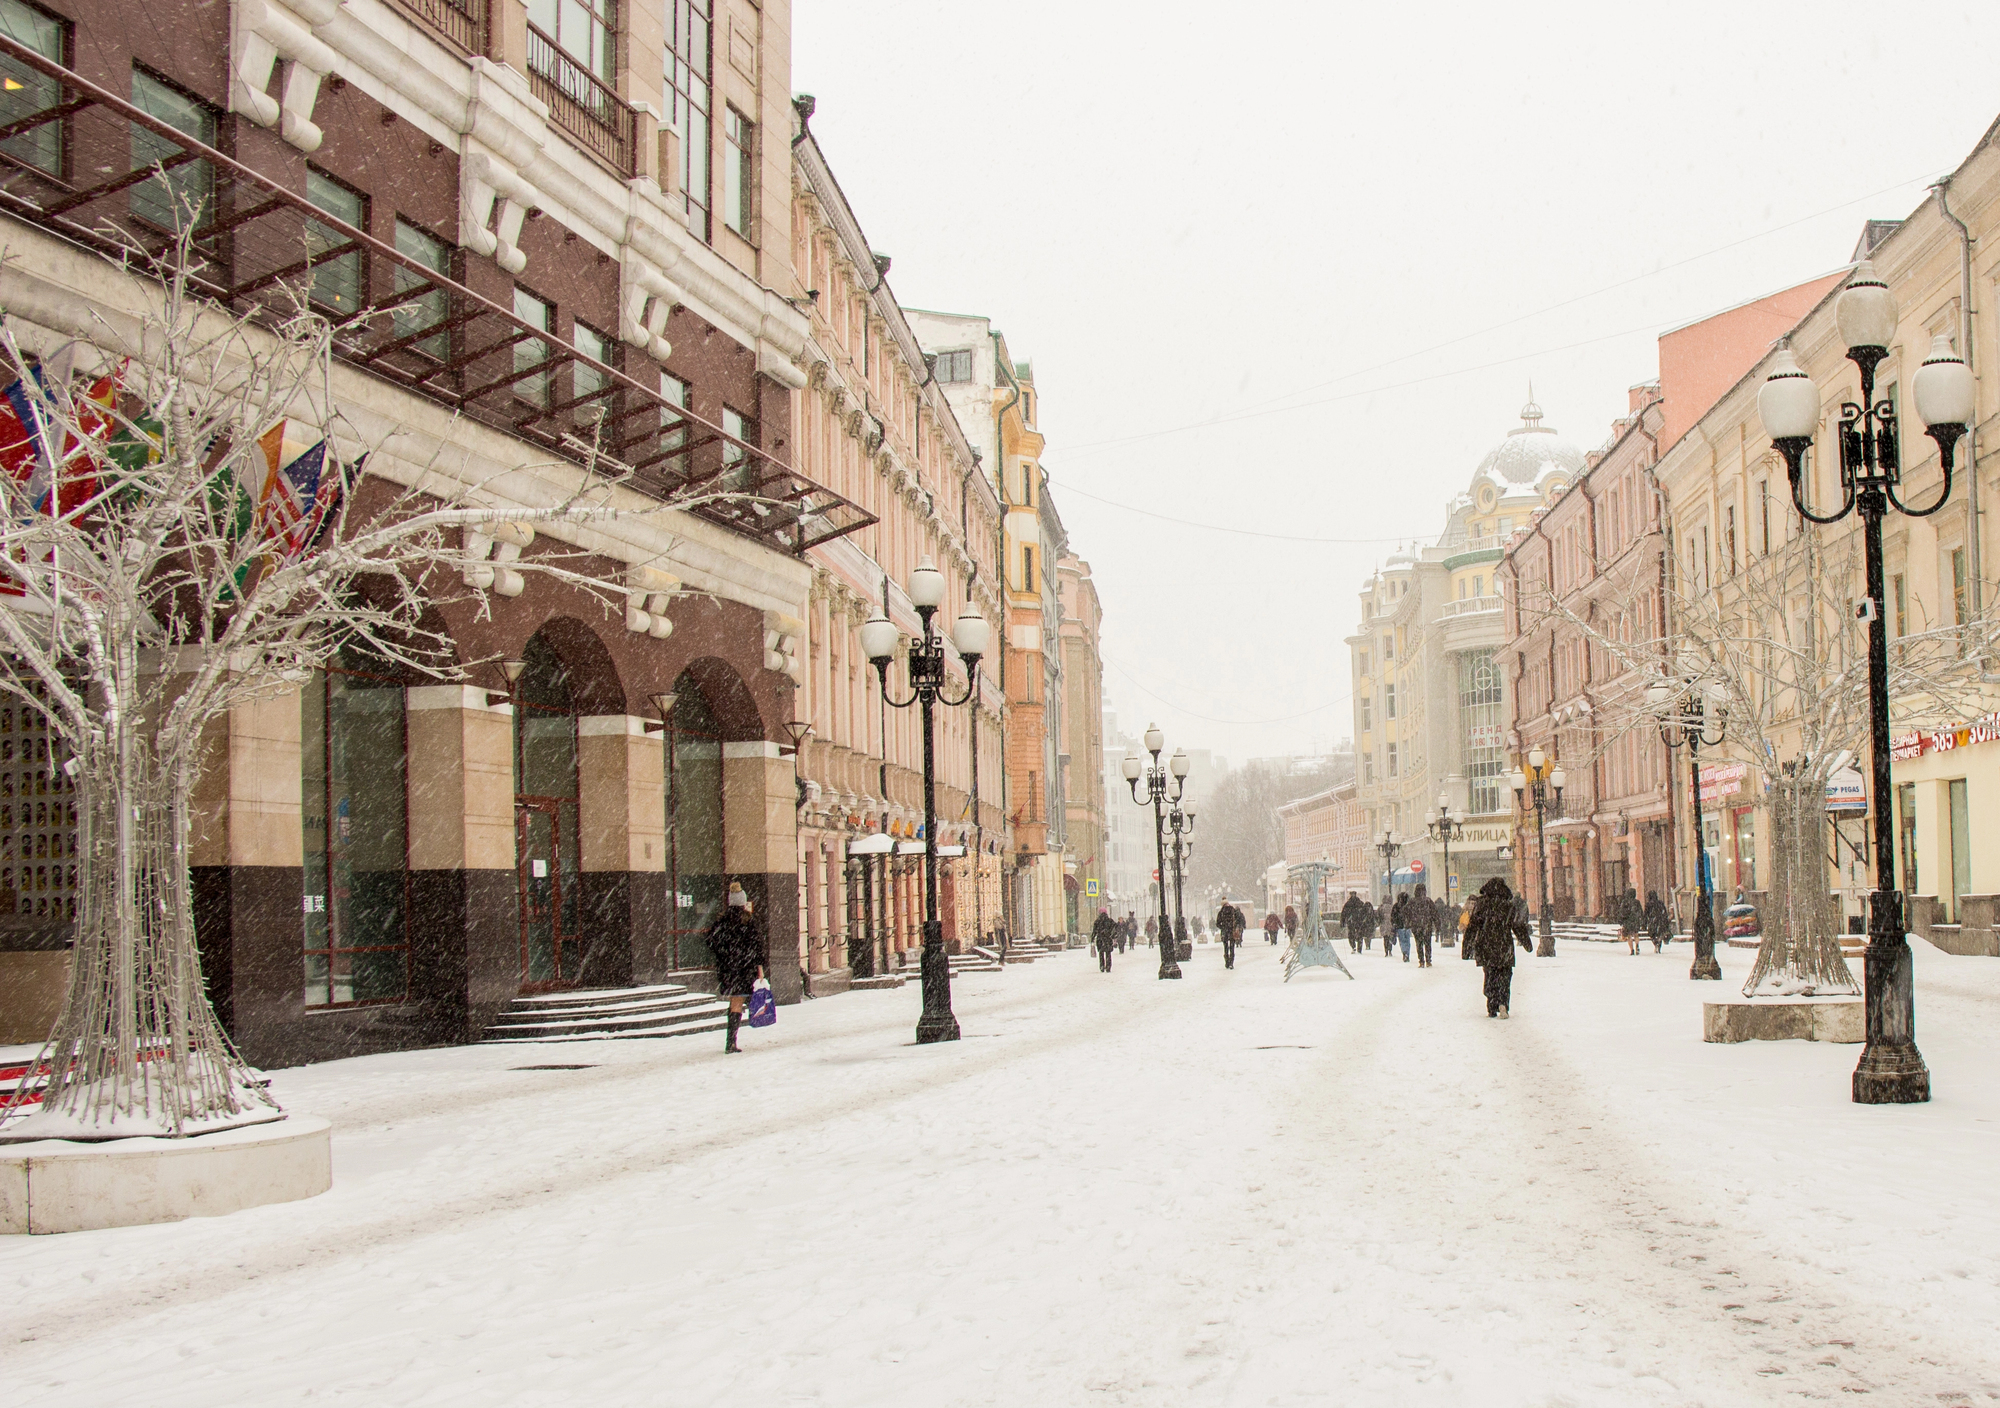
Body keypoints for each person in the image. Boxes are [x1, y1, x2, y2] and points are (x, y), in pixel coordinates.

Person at [707, 882, 767, 1053]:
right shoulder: (747, 920)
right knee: (738, 1002)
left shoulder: (721, 921)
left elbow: (711, 942)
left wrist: (724, 955)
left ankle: (730, 1040)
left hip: (728, 969)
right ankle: (731, 1042)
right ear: (743, 902)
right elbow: (757, 946)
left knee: (735, 1001)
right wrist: (759, 967)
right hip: (744, 968)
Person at [1468, 877, 1532, 1018]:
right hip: (1504, 946)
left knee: (1490, 974)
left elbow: (1472, 927)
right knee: (1504, 976)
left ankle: (1491, 1005)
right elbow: (1518, 925)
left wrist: (1467, 948)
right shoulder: (1508, 906)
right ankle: (1503, 1004)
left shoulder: (1481, 904)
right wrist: (1527, 943)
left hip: (1486, 946)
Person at [1407, 883, 1438, 968]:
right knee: (1427, 943)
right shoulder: (1428, 901)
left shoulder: (1412, 902)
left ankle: (1421, 961)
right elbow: (1435, 914)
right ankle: (1428, 960)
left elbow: (1407, 913)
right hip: (1427, 925)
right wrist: (1436, 924)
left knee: (1419, 943)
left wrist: (1409, 923)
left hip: (1416, 926)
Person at [1215, 897, 1245, 969]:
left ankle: (1227, 962)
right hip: (1232, 931)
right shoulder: (1233, 910)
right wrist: (1235, 926)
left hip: (1225, 931)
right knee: (1232, 947)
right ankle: (1231, 962)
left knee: (1225, 947)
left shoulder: (1221, 912)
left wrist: (1223, 927)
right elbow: (1238, 919)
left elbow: (1217, 923)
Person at [1618, 887, 1645, 956]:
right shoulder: (1637, 902)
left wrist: (1621, 920)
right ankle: (1637, 945)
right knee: (1636, 934)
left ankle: (1632, 950)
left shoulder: (1625, 902)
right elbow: (1640, 912)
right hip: (1635, 921)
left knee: (1629, 936)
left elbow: (1621, 912)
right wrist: (1641, 919)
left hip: (1627, 921)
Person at [1092, 907, 1118, 972]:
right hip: (1108, 939)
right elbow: (1116, 927)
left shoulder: (1097, 921)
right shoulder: (1110, 921)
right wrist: (1113, 935)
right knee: (1108, 953)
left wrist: (1092, 938)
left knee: (1101, 953)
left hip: (1100, 939)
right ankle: (1108, 967)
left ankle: (1102, 966)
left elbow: (1094, 931)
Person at [1390, 891, 1412, 962]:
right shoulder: (1409, 906)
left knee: (1402, 941)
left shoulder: (1396, 906)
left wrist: (1394, 923)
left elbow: (1393, 916)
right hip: (1408, 926)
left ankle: (1404, 952)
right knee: (1407, 941)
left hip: (1399, 926)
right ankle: (1407, 953)